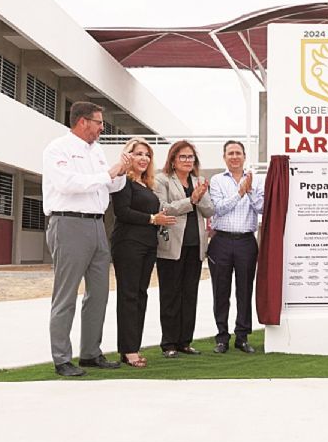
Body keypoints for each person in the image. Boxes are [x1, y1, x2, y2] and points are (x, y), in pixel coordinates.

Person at [42, 101, 128, 377]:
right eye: (99, 122)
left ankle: (91, 353)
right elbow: (68, 183)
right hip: (68, 223)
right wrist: (107, 174)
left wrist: (121, 173)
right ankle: (62, 358)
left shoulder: (98, 151)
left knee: (99, 294)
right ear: (82, 121)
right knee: (65, 295)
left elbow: (109, 185)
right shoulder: (58, 149)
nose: (102, 127)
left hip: (97, 225)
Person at [110, 138, 176, 367]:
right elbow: (122, 211)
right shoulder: (122, 181)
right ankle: (128, 350)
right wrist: (151, 219)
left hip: (148, 245)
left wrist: (159, 221)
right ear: (128, 156)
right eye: (138, 154)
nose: (143, 158)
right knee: (128, 295)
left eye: (147, 155)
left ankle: (133, 346)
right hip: (128, 244)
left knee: (141, 294)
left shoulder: (148, 184)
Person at [154, 140, 214, 358]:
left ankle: (184, 341)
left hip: (195, 247)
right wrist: (191, 199)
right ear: (173, 159)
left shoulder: (198, 180)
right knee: (170, 295)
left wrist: (200, 196)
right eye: (183, 157)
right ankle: (168, 343)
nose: (188, 161)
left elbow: (209, 211)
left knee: (190, 295)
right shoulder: (162, 180)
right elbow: (163, 209)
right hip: (171, 247)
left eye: (191, 157)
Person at [207, 140, 264, 354]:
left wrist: (249, 191)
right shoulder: (217, 180)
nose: (234, 156)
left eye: (238, 153)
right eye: (230, 153)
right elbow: (218, 209)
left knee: (244, 290)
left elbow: (262, 208)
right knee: (221, 291)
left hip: (246, 242)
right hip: (221, 241)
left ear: (244, 156)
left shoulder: (256, 180)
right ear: (224, 157)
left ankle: (242, 336)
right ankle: (222, 338)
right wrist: (240, 192)